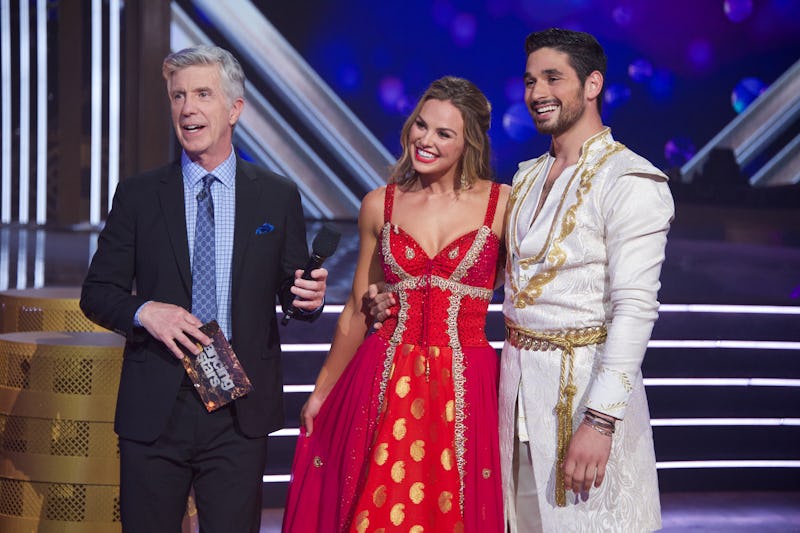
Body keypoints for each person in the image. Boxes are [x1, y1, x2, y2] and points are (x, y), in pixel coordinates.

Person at [370, 28, 673, 532]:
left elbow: (635, 309)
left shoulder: (631, 181)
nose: (537, 93)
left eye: (553, 78)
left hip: (584, 401)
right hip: (512, 398)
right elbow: (479, 277)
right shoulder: (527, 179)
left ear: (592, 84)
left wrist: (600, 421)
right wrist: (388, 295)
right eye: (531, 80)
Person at [80, 45, 327, 532]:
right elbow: (98, 291)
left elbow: (290, 293)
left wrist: (308, 299)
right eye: (177, 96)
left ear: (235, 108)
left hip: (238, 410)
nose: (187, 108)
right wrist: (146, 310)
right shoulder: (139, 195)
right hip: (157, 407)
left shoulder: (276, 195)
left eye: (202, 94)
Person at [281, 76, 509, 532]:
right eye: (420, 126)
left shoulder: (504, 204)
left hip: (467, 382)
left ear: (471, 143)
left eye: (444, 133)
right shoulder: (378, 205)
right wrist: (323, 389)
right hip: (385, 377)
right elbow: (353, 312)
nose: (424, 140)